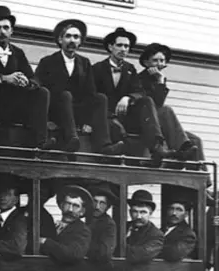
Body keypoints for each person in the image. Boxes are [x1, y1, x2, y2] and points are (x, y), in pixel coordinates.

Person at [0, 6, 66, 151]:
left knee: (42, 92)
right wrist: (3, 78)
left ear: (11, 31)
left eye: (6, 27)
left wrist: (28, 82)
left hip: (14, 107)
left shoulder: (18, 53)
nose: (2, 31)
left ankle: (41, 141)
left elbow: (34, 78)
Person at [36, 19, 124, 157]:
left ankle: (104, 145)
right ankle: (72, 139)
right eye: (68, 36)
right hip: (56, 112)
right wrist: (47, 120)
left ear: (80, 41)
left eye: (76, 37)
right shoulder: (47, 61)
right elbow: (40, 91)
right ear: (60, 40)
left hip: (77, 112)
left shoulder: (84, 62)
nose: (72, 40)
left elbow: (90, 92)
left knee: (100, 98)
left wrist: (88, 122)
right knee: (66, 95)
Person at [92, 27, 172, 166]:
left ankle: (156, 147)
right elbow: (91, 96)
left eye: (127, 46)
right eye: (120, 45)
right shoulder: (97, 68)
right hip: (105, 117)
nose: (123, 49)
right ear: (110, 47)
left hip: (125, 115)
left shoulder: (130, 69)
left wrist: (128, 97)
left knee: (146, 100)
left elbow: (140, 91)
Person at [137, 43, 202, 162]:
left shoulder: (159, 78)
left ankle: (202, 173)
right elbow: (155, 103)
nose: (159, 64)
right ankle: (181, 148)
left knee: (196, 140)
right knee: (166, 109)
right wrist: (160, 81)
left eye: (162, 60)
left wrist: (160, 81)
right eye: (155, 60)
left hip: (157, 121)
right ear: (146, 63)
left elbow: (159, 104)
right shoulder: (139, 78)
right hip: (144, 121)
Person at [39, 185, 92, 265]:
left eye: (75, 206)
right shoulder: (54, 226)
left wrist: (46, 241)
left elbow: (74, 254)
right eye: (67, 204)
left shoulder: (83, 230)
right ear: (61, 206)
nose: (70, 209)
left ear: (82, 211)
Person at [0, 175, 28, 260]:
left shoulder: (19, 220)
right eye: (0, 193)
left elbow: (17, 248)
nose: (2, 197)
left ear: (16, 200)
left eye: (8, 194)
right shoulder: (3, 221)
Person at [126, 189, 165, 263]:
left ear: (150, 213)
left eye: (143, 212)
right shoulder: (122, 227)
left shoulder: (156, 235)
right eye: (135, 211)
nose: (138, 216)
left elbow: (139, 255)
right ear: (130, 212)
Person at [87, 184, 118, 266]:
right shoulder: (83, 218)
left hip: (98, 270)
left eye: (102, 203)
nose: (97, 207)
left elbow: (104, 253)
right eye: (95, 201)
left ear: (107, 206)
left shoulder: (109, 224)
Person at [159, 196, 197, 262]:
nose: (174, 213)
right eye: (171, 209)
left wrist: (151, 247)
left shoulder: (188, 234)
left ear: (186, 214)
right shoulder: (162, 230)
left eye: (179, 210)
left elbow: (173, 254)